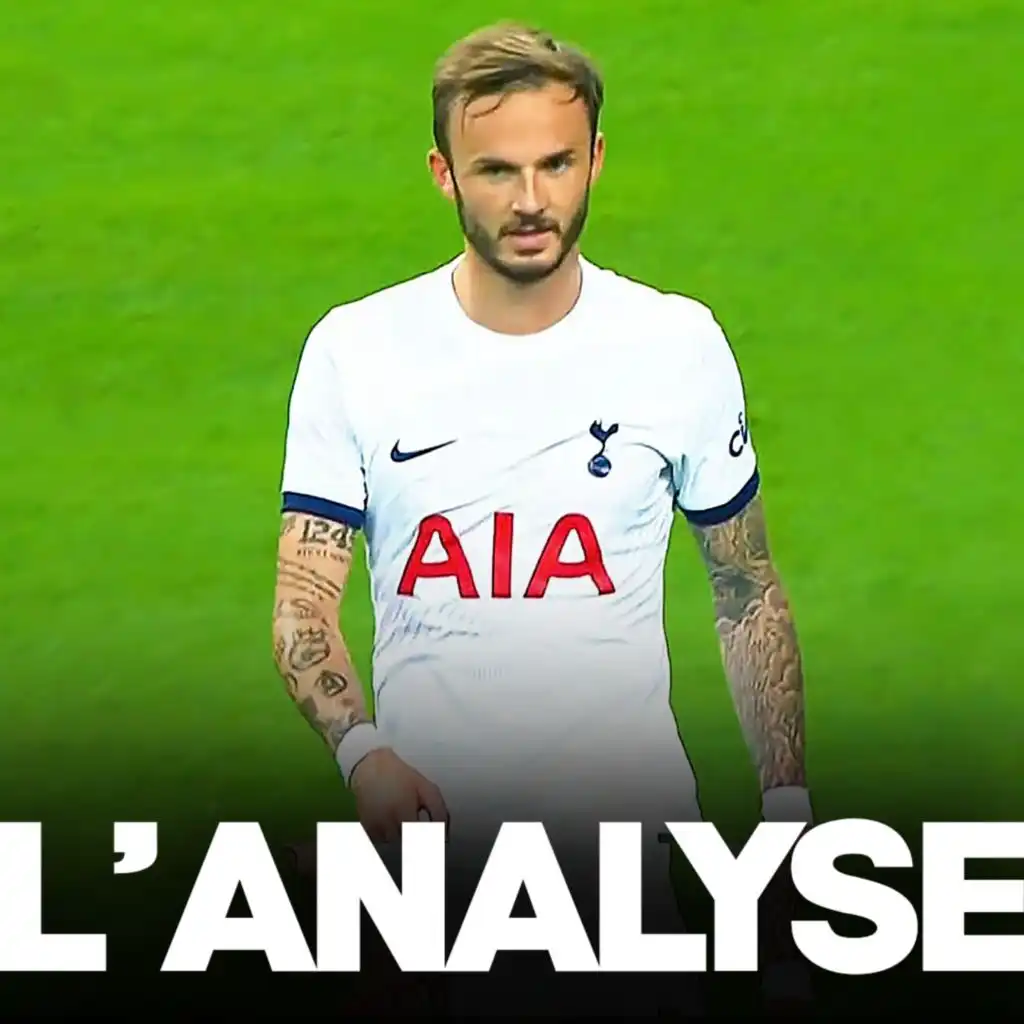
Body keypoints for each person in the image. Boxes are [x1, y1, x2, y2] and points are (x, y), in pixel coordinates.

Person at [272, 20, 812, 1013]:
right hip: (436, 868)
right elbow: (304, 605)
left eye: (556, 164)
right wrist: (363, 756)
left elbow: (745, 589)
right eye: (497, 169)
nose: (531, 200)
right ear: (443, 174)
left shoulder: (676, 346)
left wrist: (786, 812)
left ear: (595, 158)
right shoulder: (358, 352)